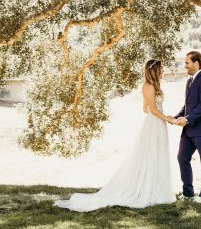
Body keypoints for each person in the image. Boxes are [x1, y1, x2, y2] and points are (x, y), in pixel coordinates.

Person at [53, 59, 176, 211]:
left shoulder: (155, 86)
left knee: (158, 154)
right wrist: (166, 118)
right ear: (154, 71)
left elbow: (146, 109)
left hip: (158, 123)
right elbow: (149, 108)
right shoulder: (148, 86)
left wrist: (163, 116)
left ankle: (157, 190)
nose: (163, 71)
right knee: (151, 155)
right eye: (161, 69)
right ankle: (147, 190)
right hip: (154, 125)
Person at [172, 50, 201, 202]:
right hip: (188, 130)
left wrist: (188, 119)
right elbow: (187, 105)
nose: (185, 66)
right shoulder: (189, 81)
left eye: (187, 63)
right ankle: (188, 193)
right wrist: (177, 117)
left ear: (196, 63)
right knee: (182, 157)